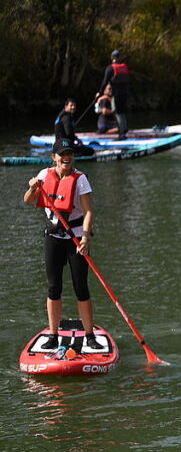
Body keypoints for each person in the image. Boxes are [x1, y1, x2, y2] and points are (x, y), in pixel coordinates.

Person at [22, 139, 102, 352]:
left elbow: (88, 211)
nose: (66, 157)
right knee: (53, 287)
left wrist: (85, 238)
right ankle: (53, 335)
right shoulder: (43, 175)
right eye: (62, 154)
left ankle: (89, 335)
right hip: (53, 238)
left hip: (76, 239)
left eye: (69, 154)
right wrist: (32, 188)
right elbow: (28, 200)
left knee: (81, 287)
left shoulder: (80, 179)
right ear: (54, 157)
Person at [98, 50, 129, 138]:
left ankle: (121, 134)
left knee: (117, 112)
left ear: (112, 58)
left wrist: (100, 92)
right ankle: (124, 129)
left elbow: (105, 82)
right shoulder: (125, 67)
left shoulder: (110, 68)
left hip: (116, 94)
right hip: (125, 93)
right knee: (122, 112)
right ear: (120, 58)